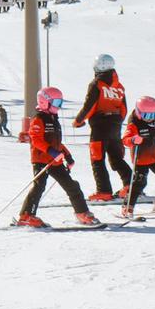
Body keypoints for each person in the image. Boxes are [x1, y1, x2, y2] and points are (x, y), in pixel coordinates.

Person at [17, 87, 99, 227]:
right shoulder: (38, 119)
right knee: (39, 187)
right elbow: (35, 139)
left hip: (55, 161)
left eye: (60, 102)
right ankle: (26, 216)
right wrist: (51, 152)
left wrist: (68, 157)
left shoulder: (54, 120)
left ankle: (82, 213)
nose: (58, 106)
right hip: (42, 160)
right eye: (56, 102)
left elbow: (57, 143)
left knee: (72, 185)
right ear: (44, 102)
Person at [72, 53, 132, 202]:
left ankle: (104, 191)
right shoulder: (120, 87)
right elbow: (124, 108)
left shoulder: (96, 84)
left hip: (99, 127)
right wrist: (116, 121)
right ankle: (131, 185)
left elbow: (90, 106)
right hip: (115, 126)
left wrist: (79, 121)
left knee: (97, 159)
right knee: (116, 158)